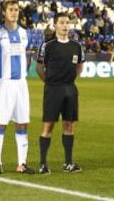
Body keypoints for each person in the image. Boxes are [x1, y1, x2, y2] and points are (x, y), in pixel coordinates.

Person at [0, 0, 35, 175]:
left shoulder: (26, 34)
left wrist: (23, 74)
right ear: (4, 13)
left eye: (16, 9)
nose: (14, 12)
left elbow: (27, 56)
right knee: (1, 123)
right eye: (11, 9)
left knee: (22, 123)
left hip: (21, 84)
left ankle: (22, 163)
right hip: (3, 84)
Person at [36, 12, 85, 174]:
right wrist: (50, 83)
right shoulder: (47, 46)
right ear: (55, 25)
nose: (65, 26)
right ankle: (43, 164)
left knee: (69, 125)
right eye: (62, 23)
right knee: (48, 126)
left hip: (70, 89)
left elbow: (79, 66)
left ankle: (68, 163)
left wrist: (70, 80)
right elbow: (38, 68)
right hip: (53, 89)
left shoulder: (77, 46)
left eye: (67, 23)